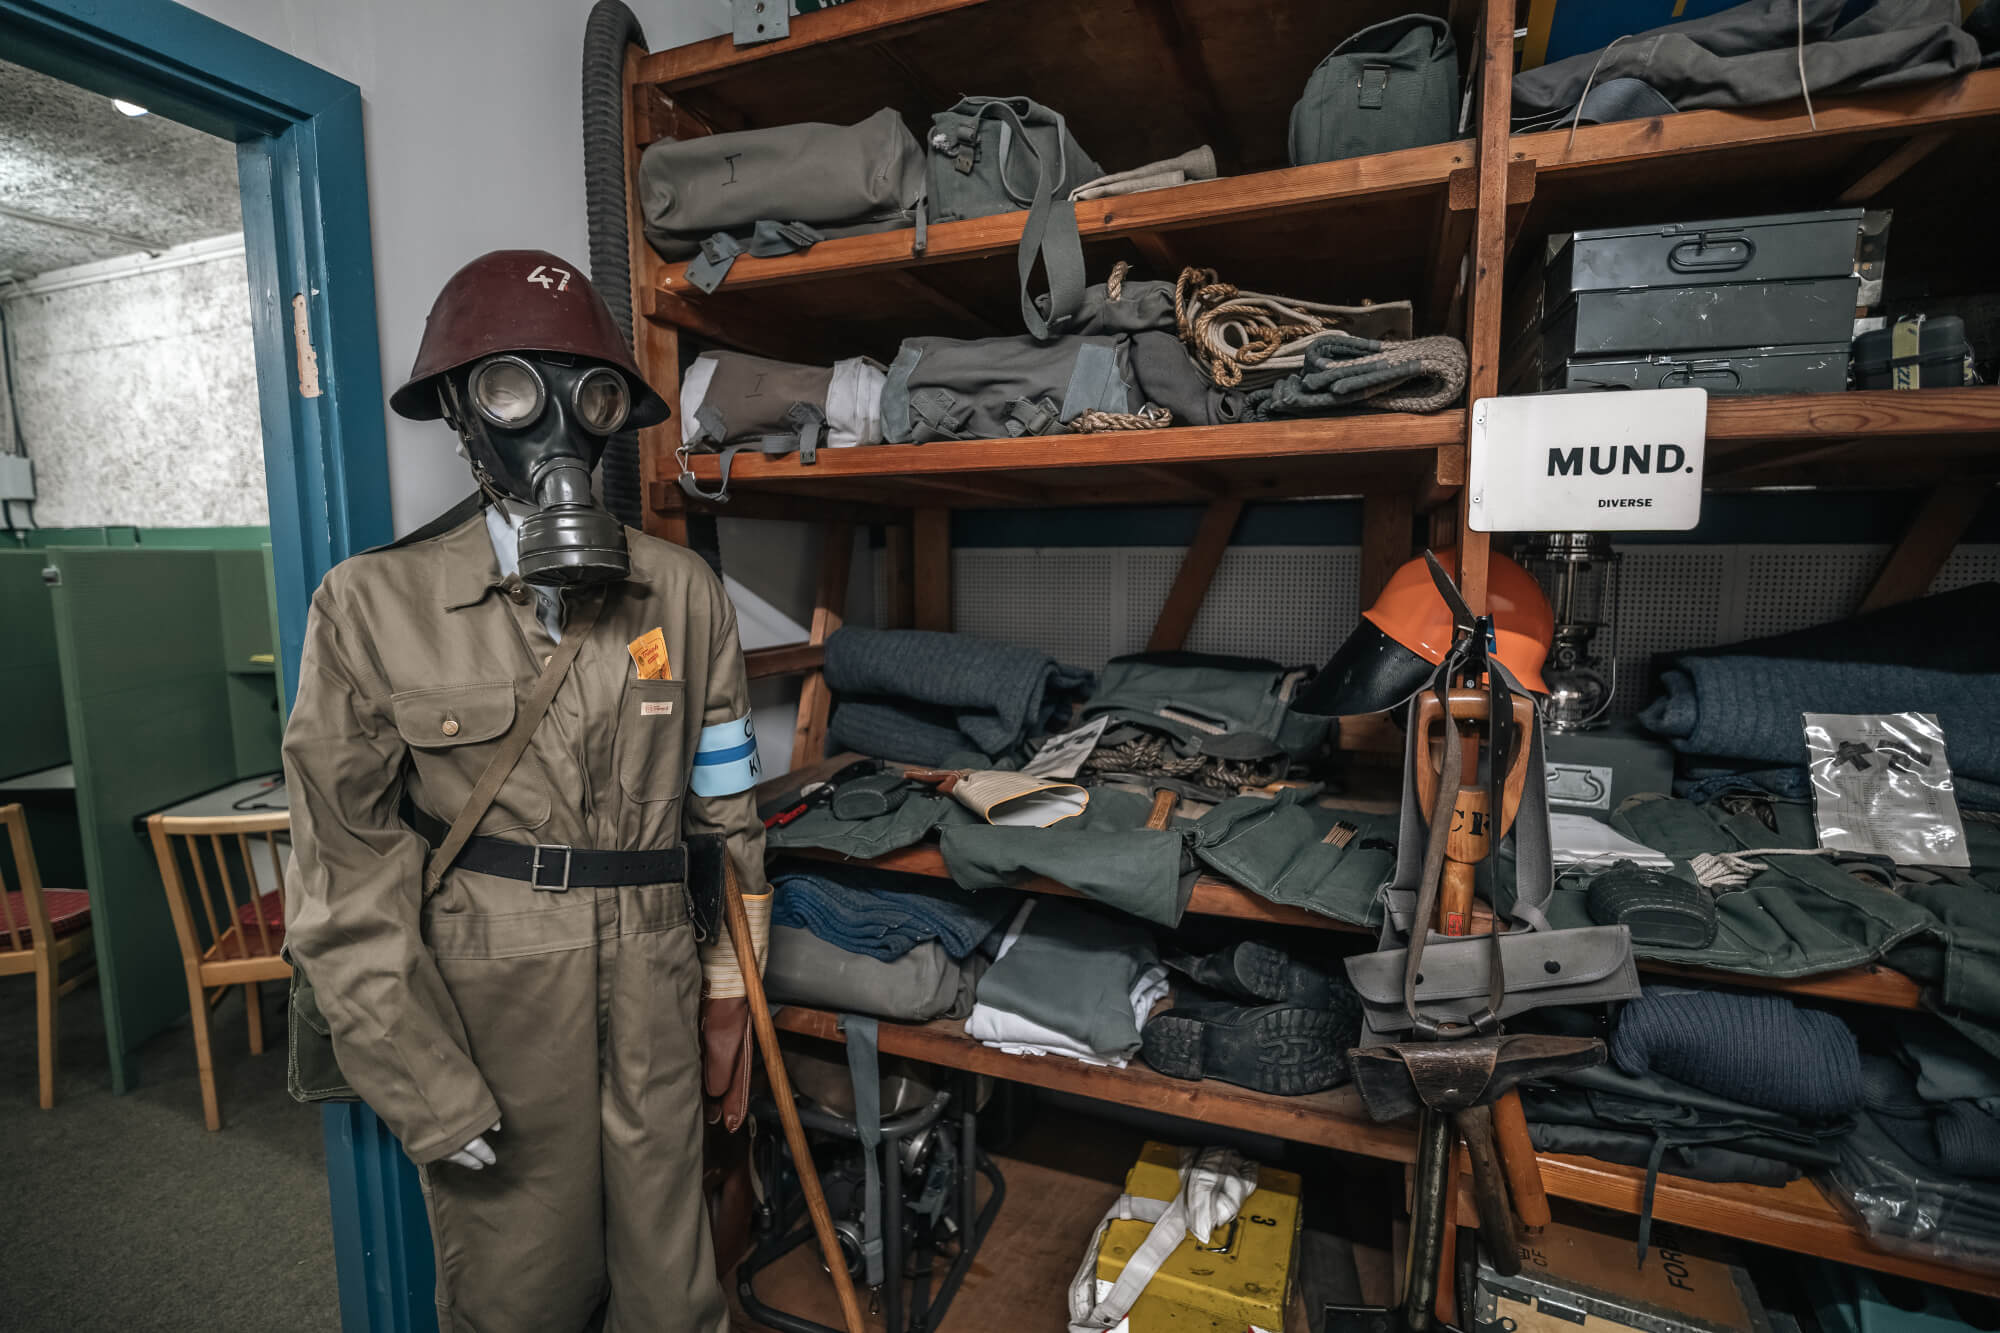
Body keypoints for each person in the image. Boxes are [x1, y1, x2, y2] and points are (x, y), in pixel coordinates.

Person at [283, 250, 762, 1332]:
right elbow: (343, 873)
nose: (553, 428)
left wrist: (729, 994)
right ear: (462, 410)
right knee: (518, 1301)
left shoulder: (680, 593)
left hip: (656, 981)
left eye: (587, 396)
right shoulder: (369, 605)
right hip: (486, 1001)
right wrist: (423, 1082)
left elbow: (723, 813)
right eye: (511, 389)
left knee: (676, 1298)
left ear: (611, 418)